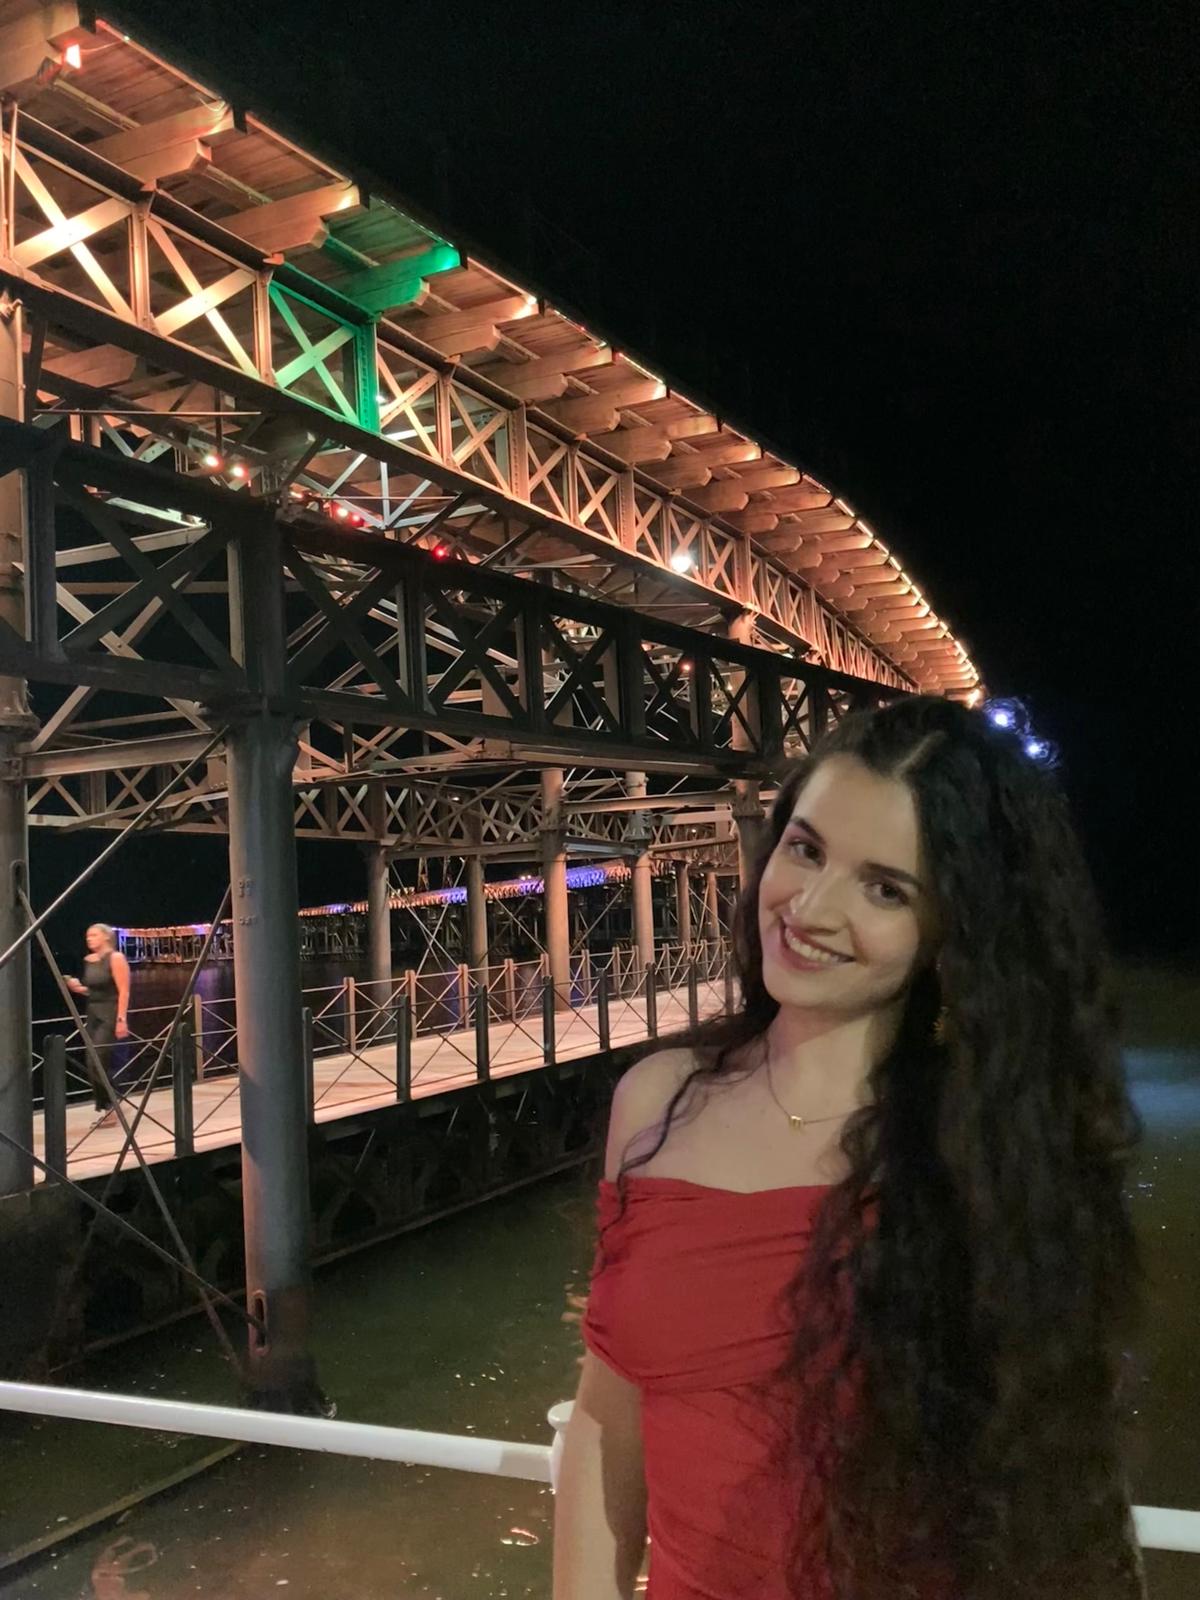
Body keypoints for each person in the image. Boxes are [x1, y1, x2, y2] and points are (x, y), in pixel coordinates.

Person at [554, 696, 1145, 1600]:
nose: (812, 908)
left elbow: (1055, 1475)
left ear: (953, 932)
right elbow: (607, 1417)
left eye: (886, 888)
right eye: (806, 849)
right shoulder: (656, 1103)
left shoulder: (985, 1155)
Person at [66, 923, 131, 1125]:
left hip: (110, 1013)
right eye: (88, 935)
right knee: (91, 1062)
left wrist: (121, 1019)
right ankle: (109, 1106)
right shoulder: (89, 960)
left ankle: (113, 1106)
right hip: (93, 1014)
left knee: (99, 1060)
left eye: (93, 935)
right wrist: (78, 988)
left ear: (106, 937)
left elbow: (123, 991)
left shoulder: (116, 958)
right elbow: (94, 990)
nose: (89, 939)